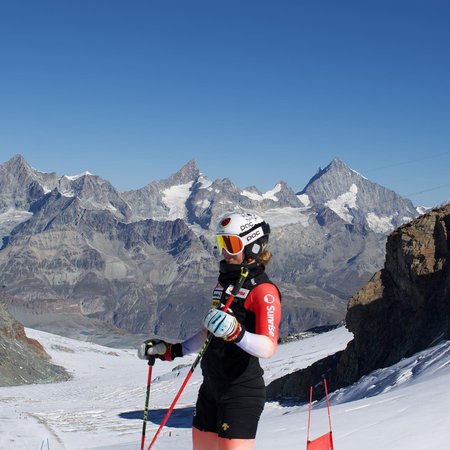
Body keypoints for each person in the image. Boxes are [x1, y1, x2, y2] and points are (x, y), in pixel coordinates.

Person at [138, 211, 282, 450]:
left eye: (231, 244)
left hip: (240, 393)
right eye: (221, 243)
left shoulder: (264, 291)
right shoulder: (225, 283)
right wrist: (172, 351)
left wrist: (237, 333)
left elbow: (268, 347)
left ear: (253, 247)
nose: (224, 251)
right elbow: (210, 333)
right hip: (211, 388)